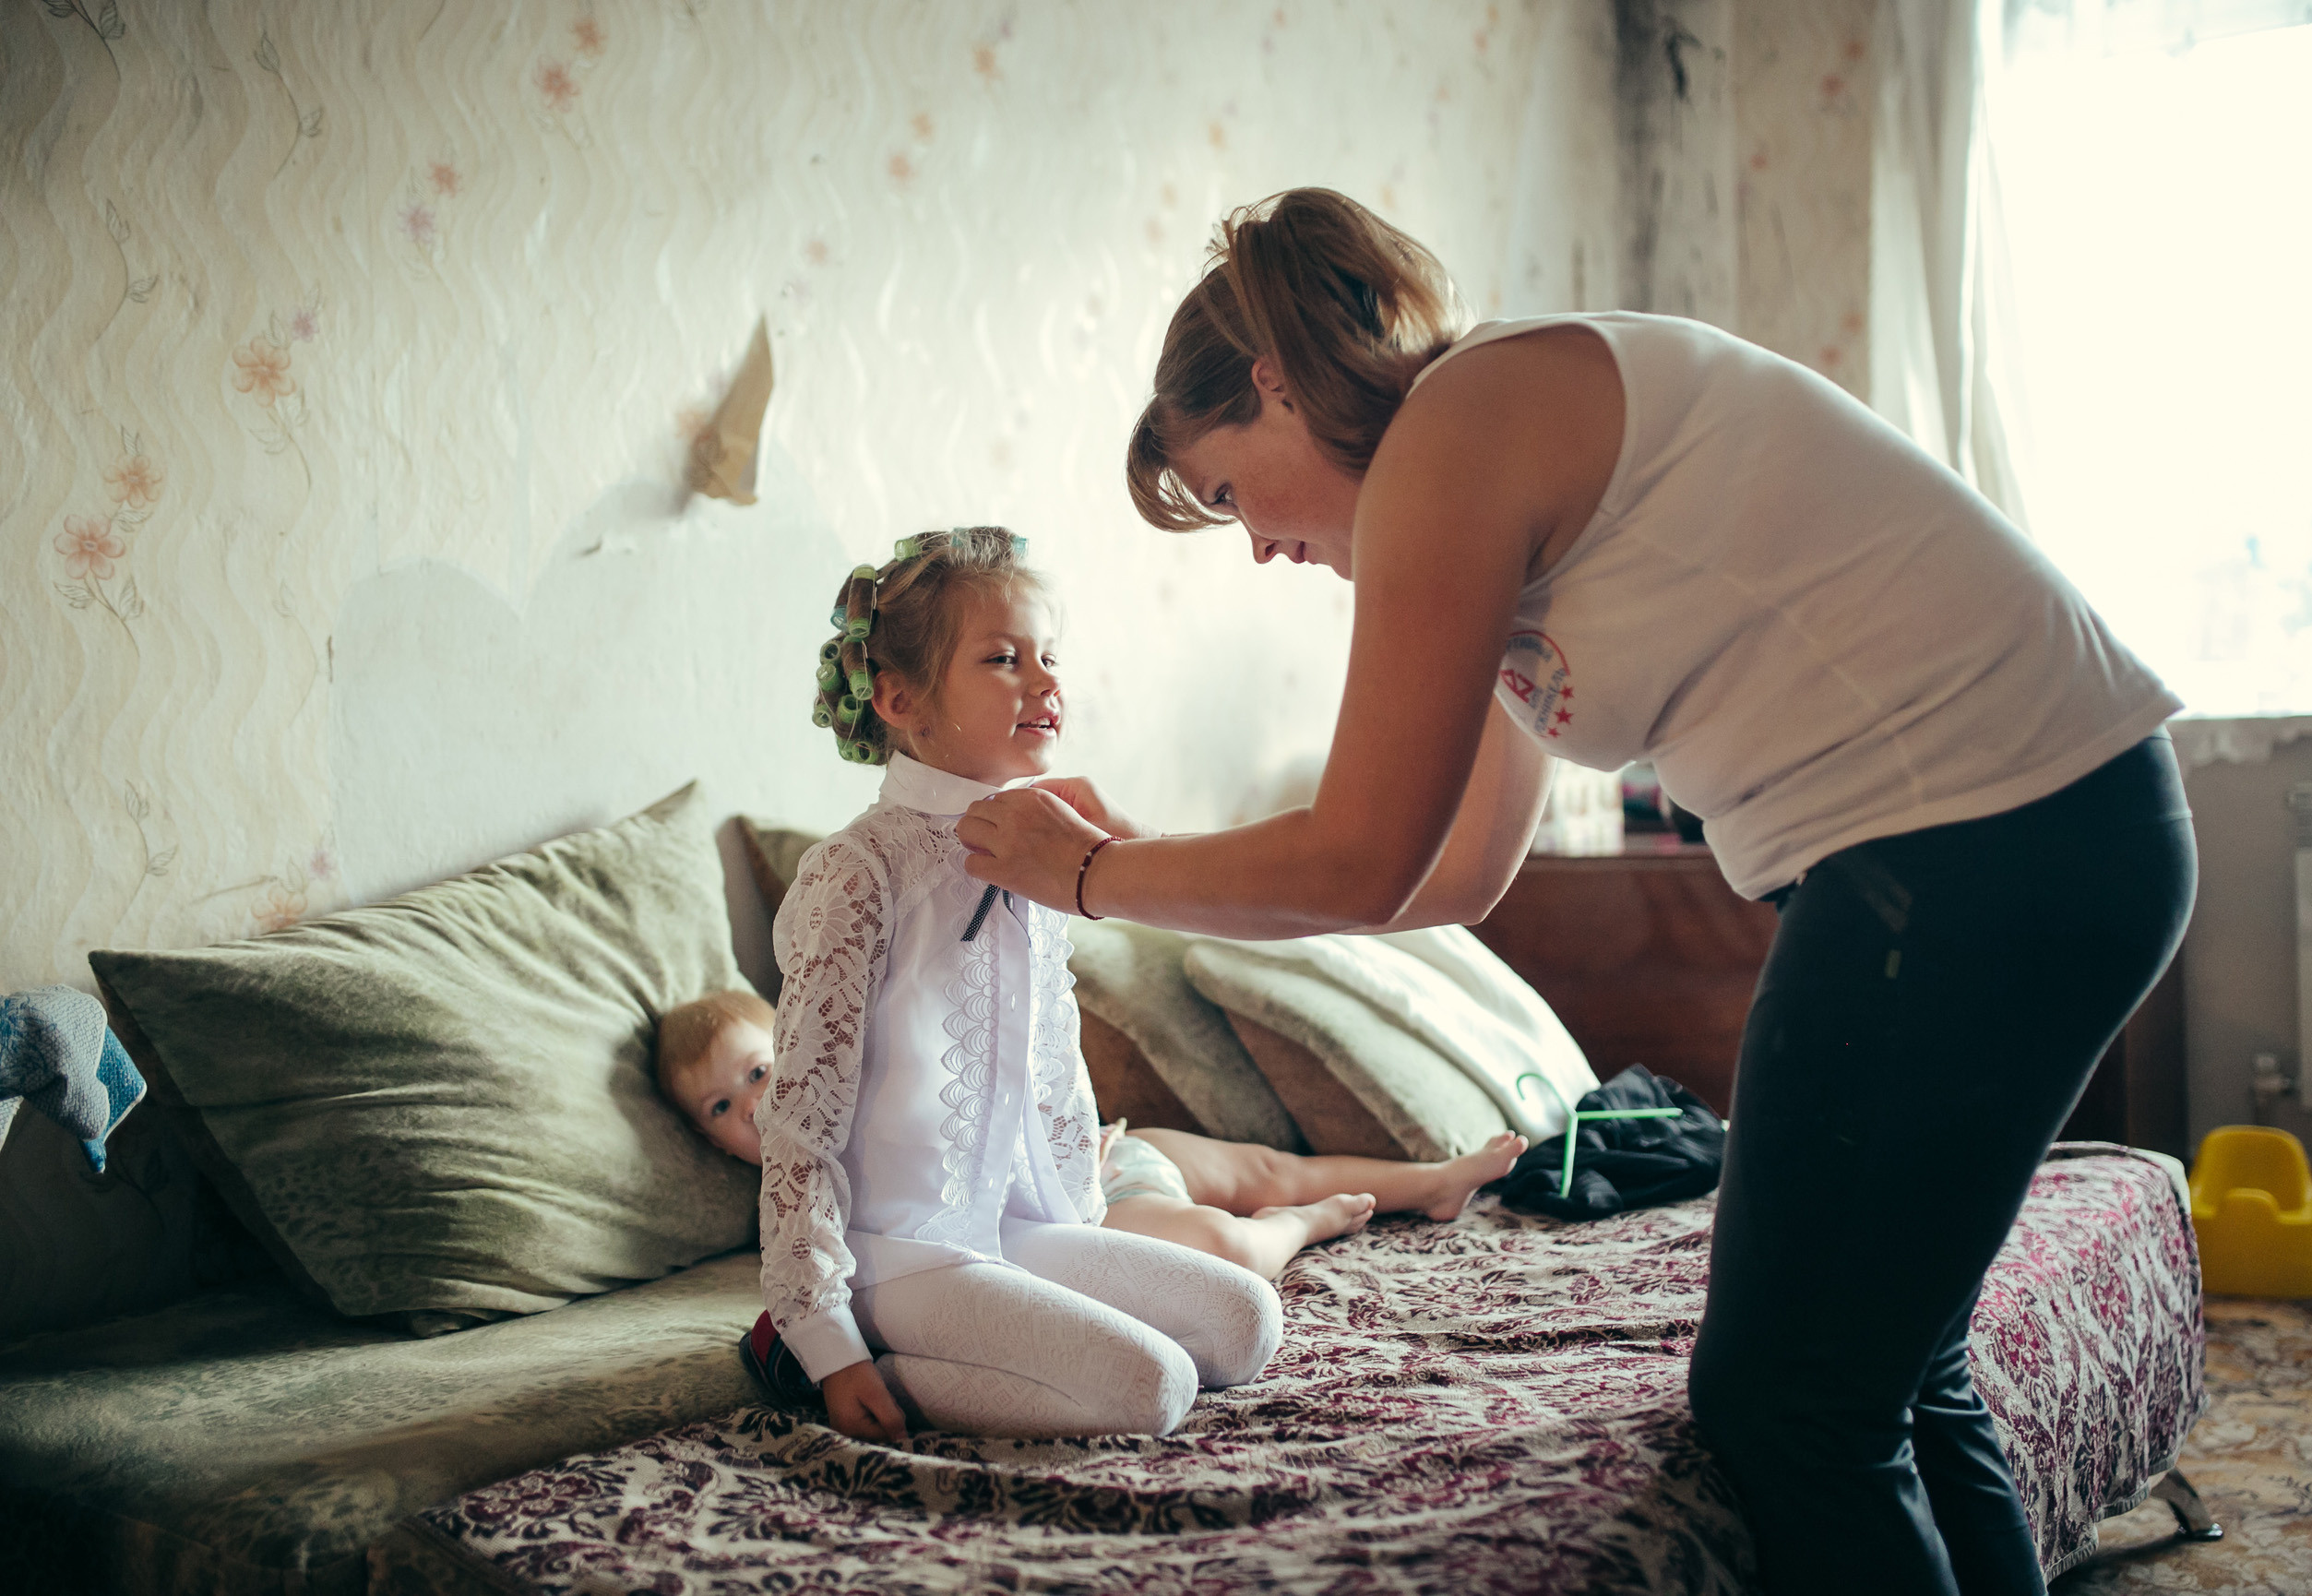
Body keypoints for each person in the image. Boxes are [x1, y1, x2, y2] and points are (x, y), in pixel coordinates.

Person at [950, 189, 2196, 1594]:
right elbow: (1456, 873)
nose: (1258, 547)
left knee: (1789, 1404)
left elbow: (1362, 854)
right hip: (2068, 821)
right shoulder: (1499, 477)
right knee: (1898, 1371)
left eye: (1232, 492)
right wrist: (1140, 862)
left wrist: (1099, 878)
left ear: (1274, 382)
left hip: (1969, 844)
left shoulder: (1458, 429)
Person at [751, 526, 1282, 1447]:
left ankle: (1008, 1340)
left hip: (1012, 1227)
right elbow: (799, 1123)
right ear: (899, 696)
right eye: (1002, 658)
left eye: (1049, 655)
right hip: (900, 1253)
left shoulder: (1041, 846)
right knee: (1150, 1386)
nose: (1044, 681)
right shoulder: (857, 871)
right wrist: (826, 1330)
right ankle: (801, 1355)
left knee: (1245, 1322)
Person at [656, 989, 1528, 1281]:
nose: (754, 1109)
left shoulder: (875, 1089)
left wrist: (1075, 1140)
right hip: (1086, 1214)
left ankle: (1432, 1180)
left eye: (760, 1073)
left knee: (1262, 1164)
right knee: (1228, 1244)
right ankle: (1309, 1227)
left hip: (1098, 1156)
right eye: (721, 1110)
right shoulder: (806, 1195)